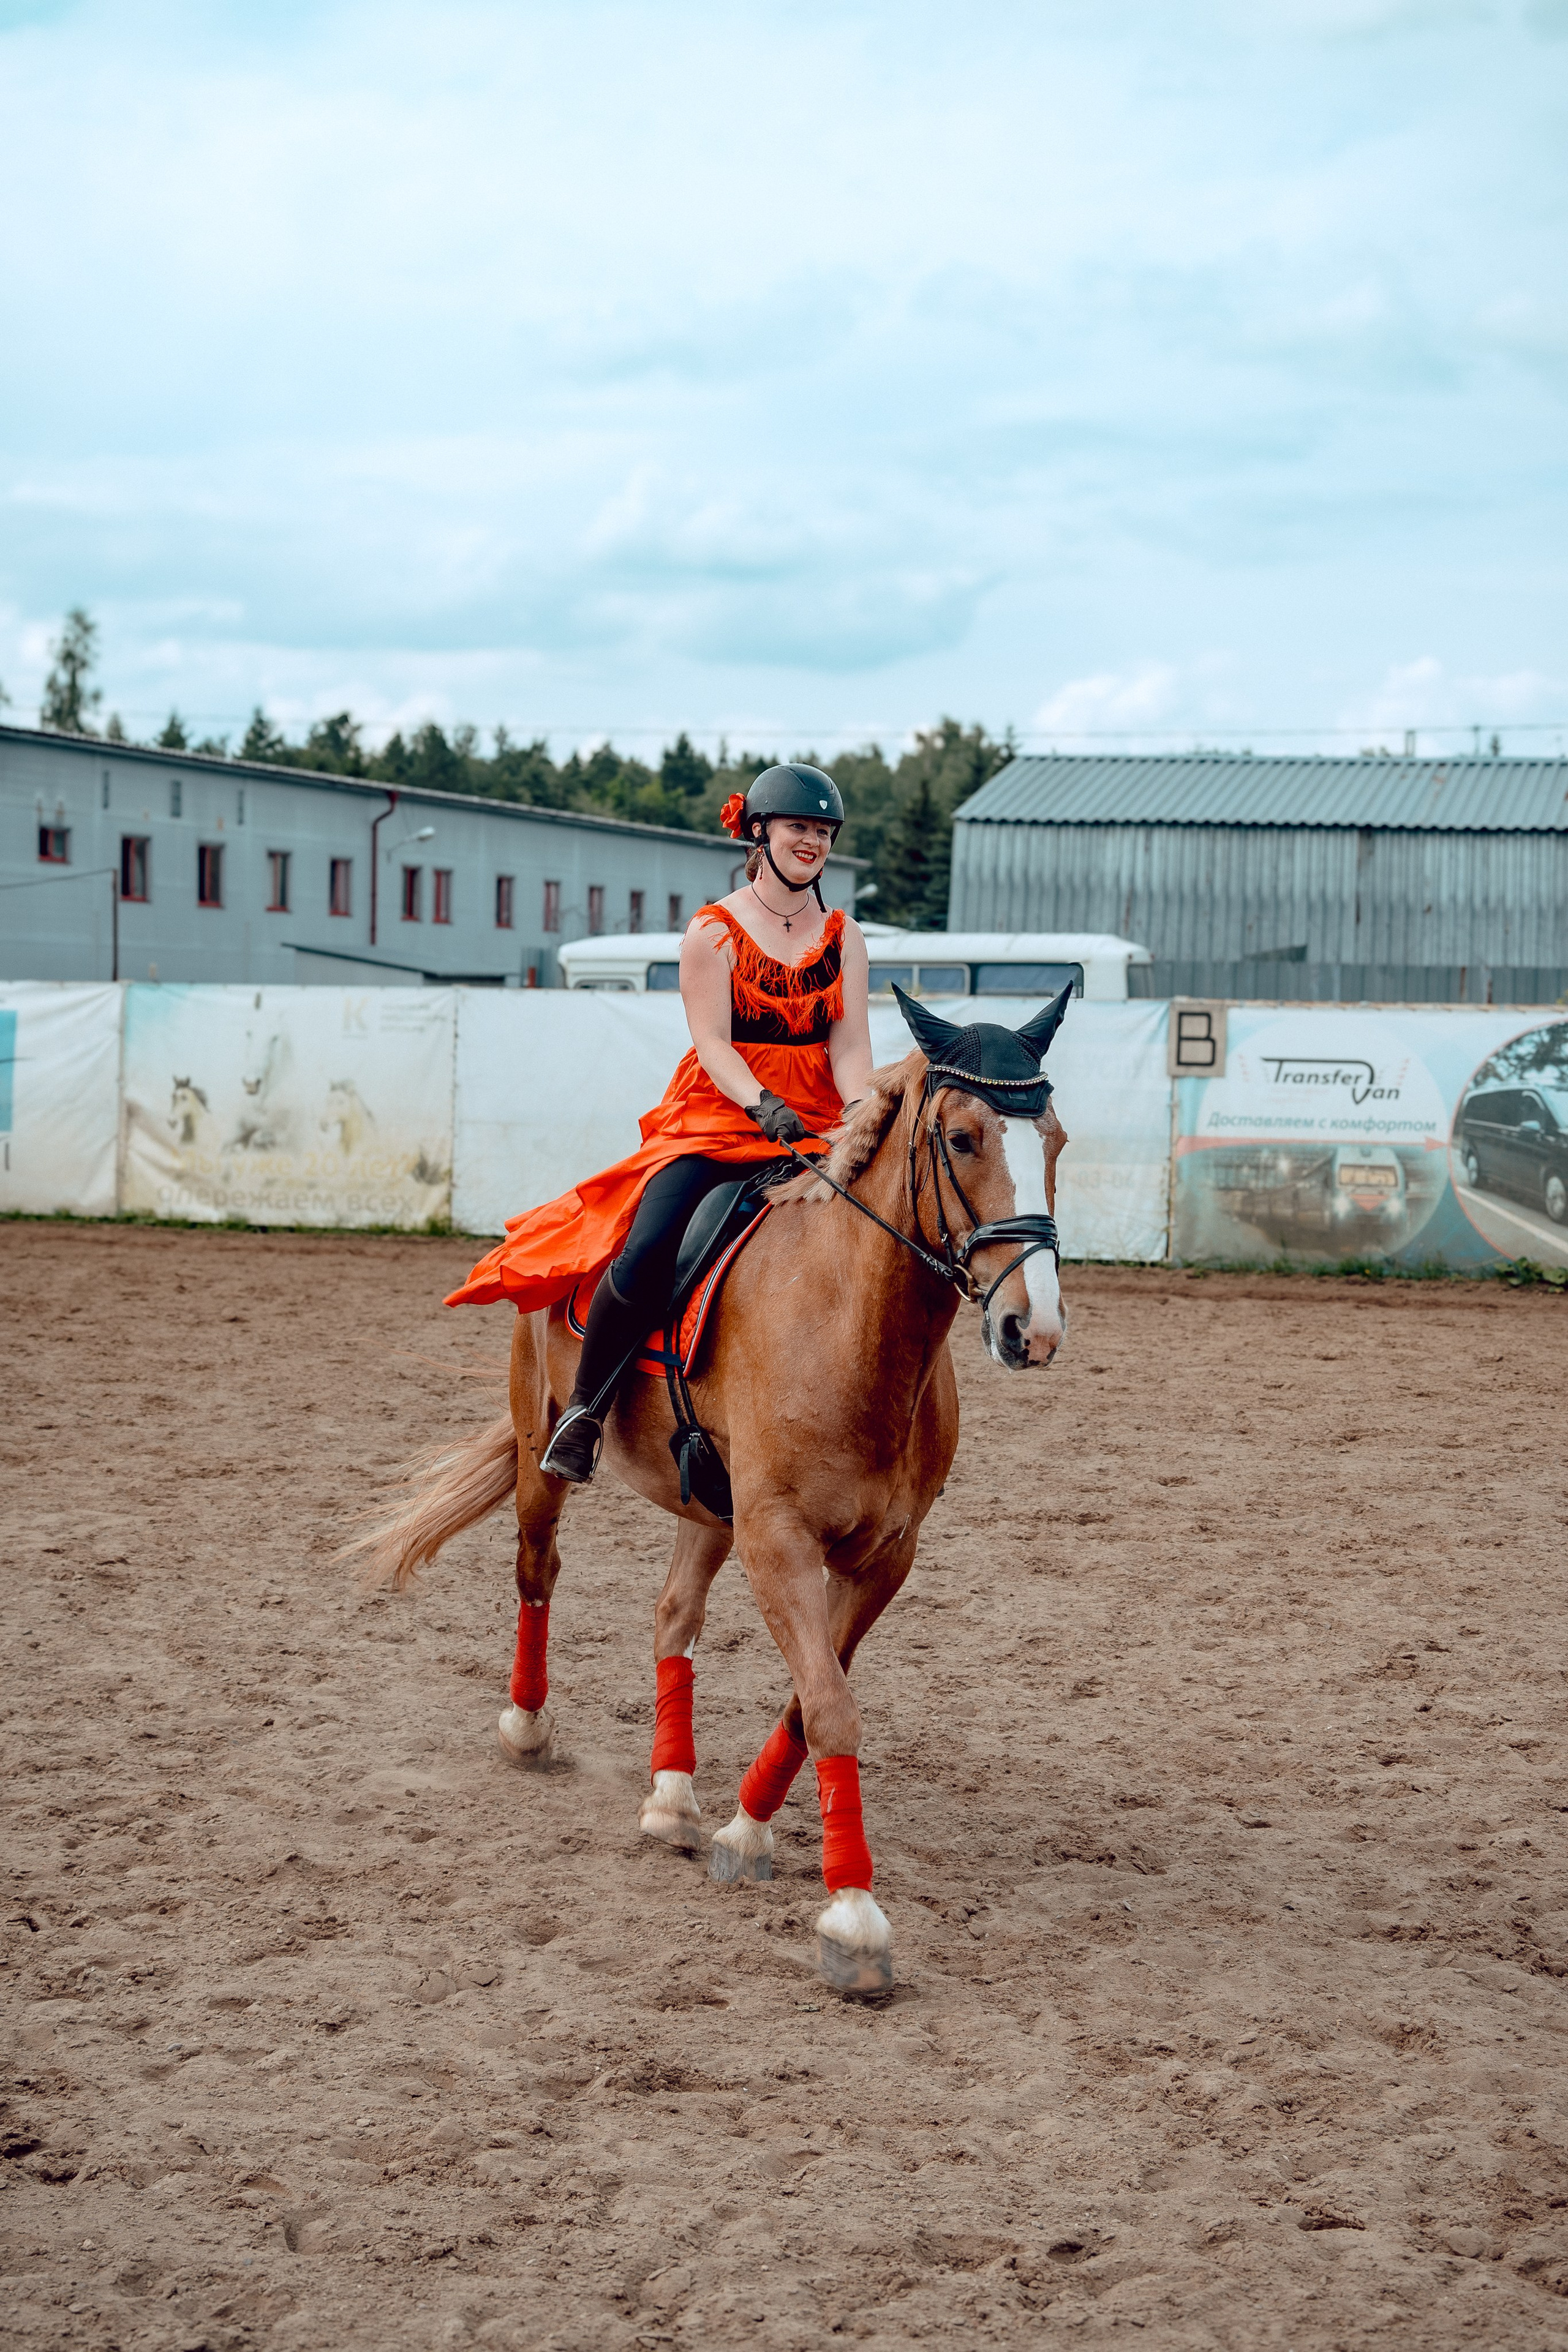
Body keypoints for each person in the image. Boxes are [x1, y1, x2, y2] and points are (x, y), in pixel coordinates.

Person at [445, 763, 875, 1483]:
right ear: (759, 832)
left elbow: (850, 1043)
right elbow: (711, 1041)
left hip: (814, 1121)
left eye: (824, 832)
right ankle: (584, 1411)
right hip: (720, 1117)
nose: (813, 842)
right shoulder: (713, 932)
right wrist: (760, 1104)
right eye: (799, 827)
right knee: (647, 1250)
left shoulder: (844, 936)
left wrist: (859, 1113)